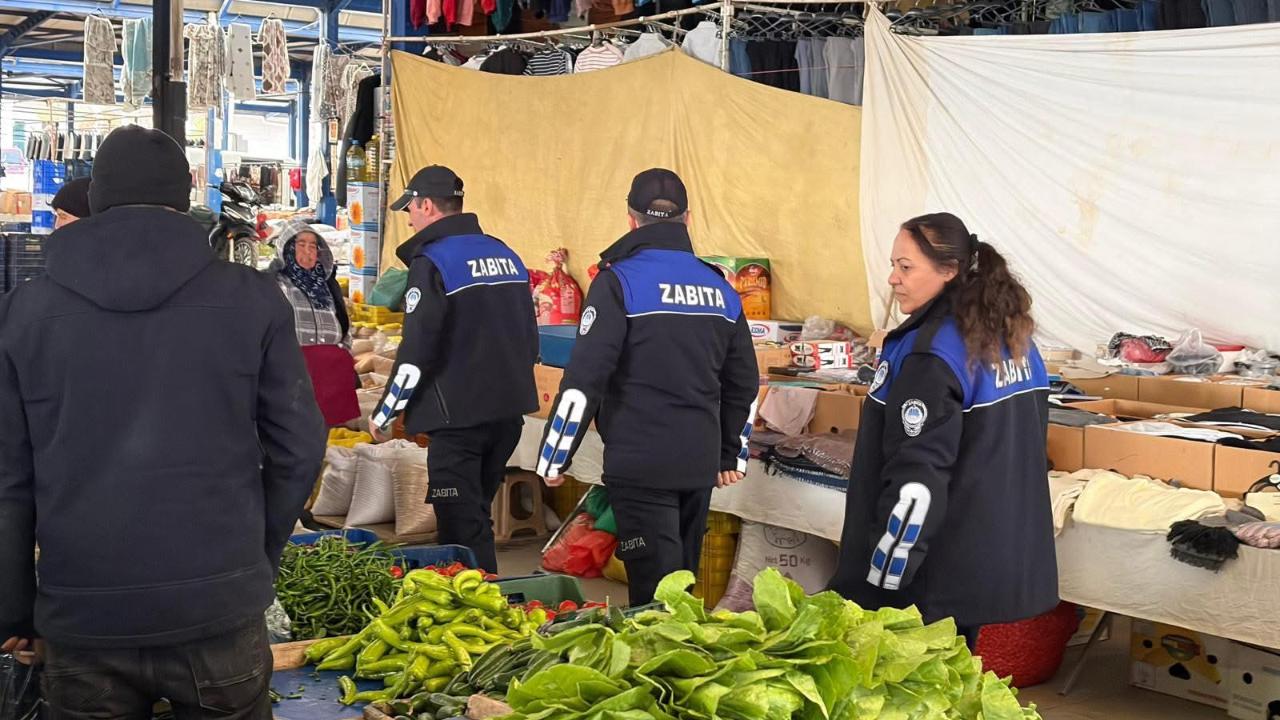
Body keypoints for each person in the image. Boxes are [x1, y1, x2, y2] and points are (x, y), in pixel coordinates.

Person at [0, 126, 326, 719]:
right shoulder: (253, 299)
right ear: (185, 200)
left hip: (83, 611)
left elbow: (8, 477)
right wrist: (257, 555)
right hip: (218, 605)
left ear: (95, 201)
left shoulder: (26, 310)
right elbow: (300, 447)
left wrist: (15, 605)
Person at [827, 212, 1057, 648]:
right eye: (893, 265)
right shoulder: (1014, 339)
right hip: (981, 555)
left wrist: (884, 575)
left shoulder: (932, 353)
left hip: (931, 573)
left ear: (949, 271)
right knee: (952, 683)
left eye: (906, 267)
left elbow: (917, 477)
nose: (893, 279)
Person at [535, 169, 759, 607]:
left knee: (654, 595)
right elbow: (745, 381)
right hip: (697, 462)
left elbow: (585, 380)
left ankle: (658, 667)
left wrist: (554, 456)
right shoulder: (720, 288)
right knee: (681, 585)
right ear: (688, 219)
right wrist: (730, 452)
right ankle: (683, 665)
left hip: (640, 463)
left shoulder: (618, 282)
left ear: (631, 220)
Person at [370, 165, 539, 574]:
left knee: (461, 528)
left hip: (457, 422)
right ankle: (491, 603)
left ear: (427, 205)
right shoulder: (505, 253)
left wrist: (386, 411)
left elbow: (417, 350)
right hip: (504, 417)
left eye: (410, 208)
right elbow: (530, 336)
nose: (409, 219)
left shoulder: (433, 262)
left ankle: (484, 614)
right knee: (475, 516)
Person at [268, 218, 359, 427]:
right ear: (288, 248)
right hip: (293, 374)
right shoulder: (273, 284)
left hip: (331, 376)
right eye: (301, 245)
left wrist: (342, 352)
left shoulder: (326, 285)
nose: (308, 251)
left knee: (328, 432)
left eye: (313, 246)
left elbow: (344, 323)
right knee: (295, 431)